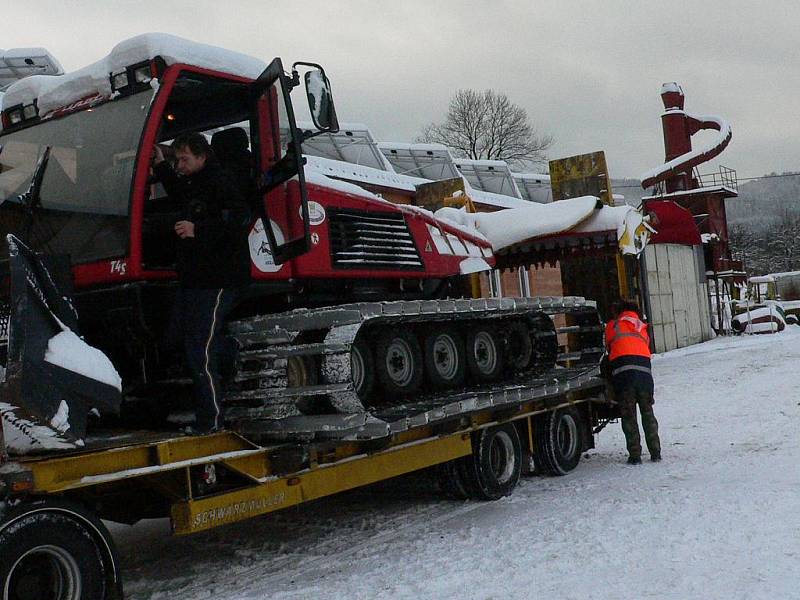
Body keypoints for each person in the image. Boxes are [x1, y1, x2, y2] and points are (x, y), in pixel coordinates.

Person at [152, 132, 251, 434]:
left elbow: (241, 217)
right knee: (178, 338)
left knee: (199, 349)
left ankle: (211, 421)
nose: (179, 165)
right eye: (177, 159)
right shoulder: (195, 183)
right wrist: (161, 166)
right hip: (194, 278)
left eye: (184, 159)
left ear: (202, 156)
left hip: (217, 278)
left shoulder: (220, 181)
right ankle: (230, 349)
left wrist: (199, 230)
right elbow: (180, 193)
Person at [605, 299, 661, 464]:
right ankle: (655, 452)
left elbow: (609, 347)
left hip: (624, 377)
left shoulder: (613, 326)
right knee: (648, 414)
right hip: (645, 377)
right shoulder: (642, 328)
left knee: (629, 417)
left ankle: (635, 456)